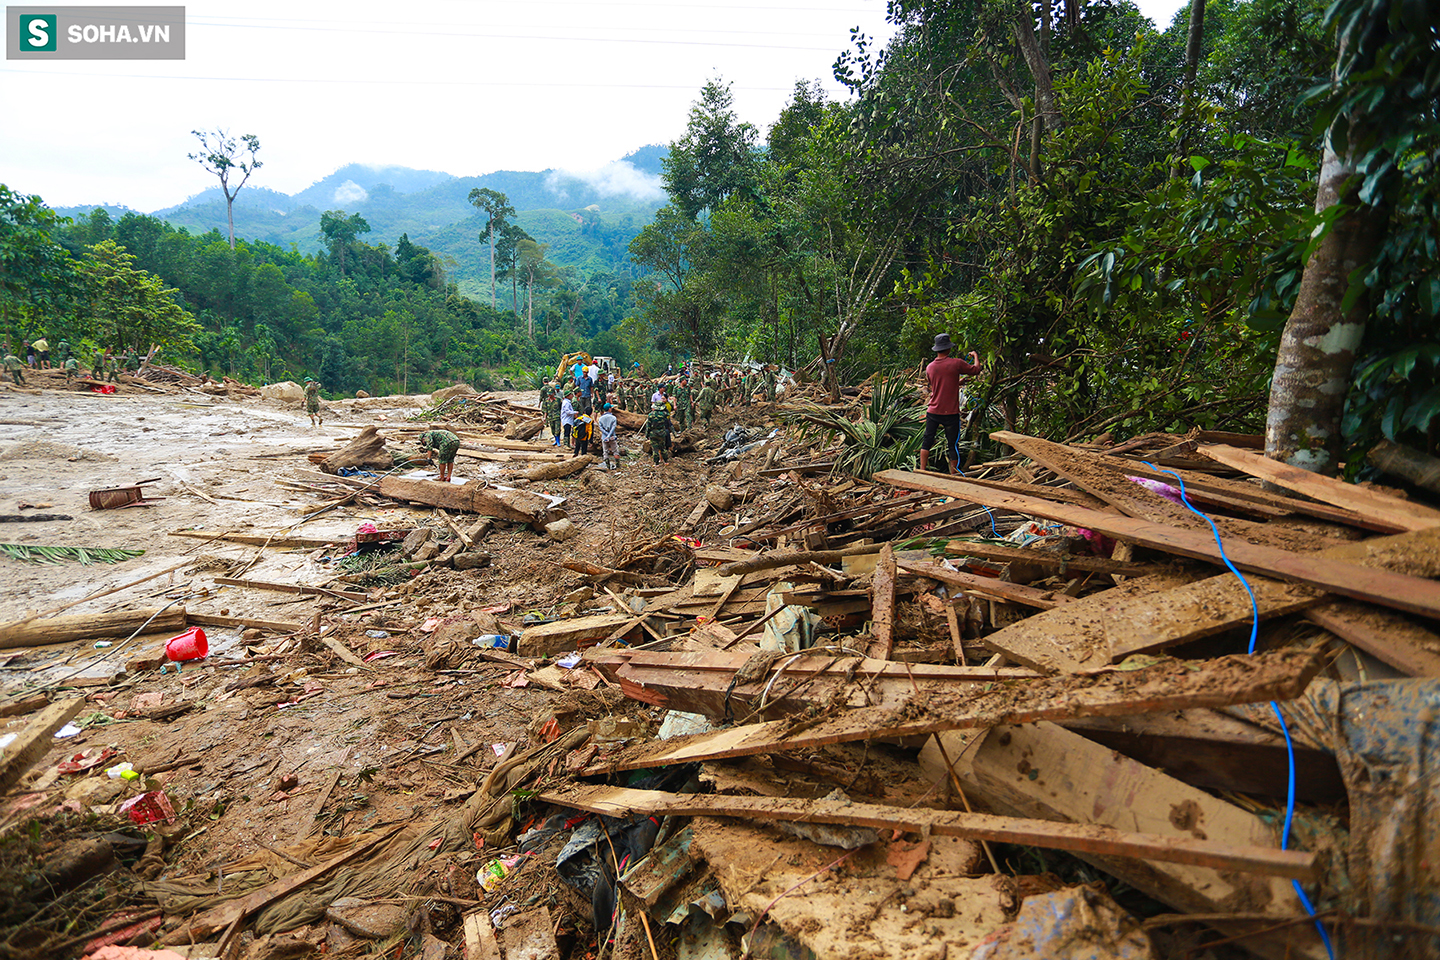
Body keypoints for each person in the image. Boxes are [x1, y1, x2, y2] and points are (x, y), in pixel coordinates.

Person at [920, 332, 983, 474]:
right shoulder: (956, 363)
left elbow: (937, 385)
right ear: (948, 348)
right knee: (952, 444)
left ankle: (922, 470)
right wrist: (975, 356)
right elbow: (976, 370)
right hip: (950, 413)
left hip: (933, 411)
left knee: (927, 440)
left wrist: (957, 382)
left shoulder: (929, 367)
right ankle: (953, 474)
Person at [597, 402, 620, 470]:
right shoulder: (613, 418)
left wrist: (606, 435)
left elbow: (601, 428)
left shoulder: (601, 418)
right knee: (615, 451)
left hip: (604, 437)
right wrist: (610, 435)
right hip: (612, 436)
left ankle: (607, 466)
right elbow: (613, 427)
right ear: (609, 409)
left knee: (605, 451)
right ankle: (618, 466)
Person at [540, 378, 562, 444]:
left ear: (553, 393)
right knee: (552, 429)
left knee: (557, 429)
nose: (549, 395)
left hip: (557, 416)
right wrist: (544, 417)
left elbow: (561, 408)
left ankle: (558, 441)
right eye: (548, 394)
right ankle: (555, 440)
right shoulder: (546, 401)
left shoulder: (558, 400)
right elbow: (545, 410)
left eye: (550, 394)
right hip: (550, 417)